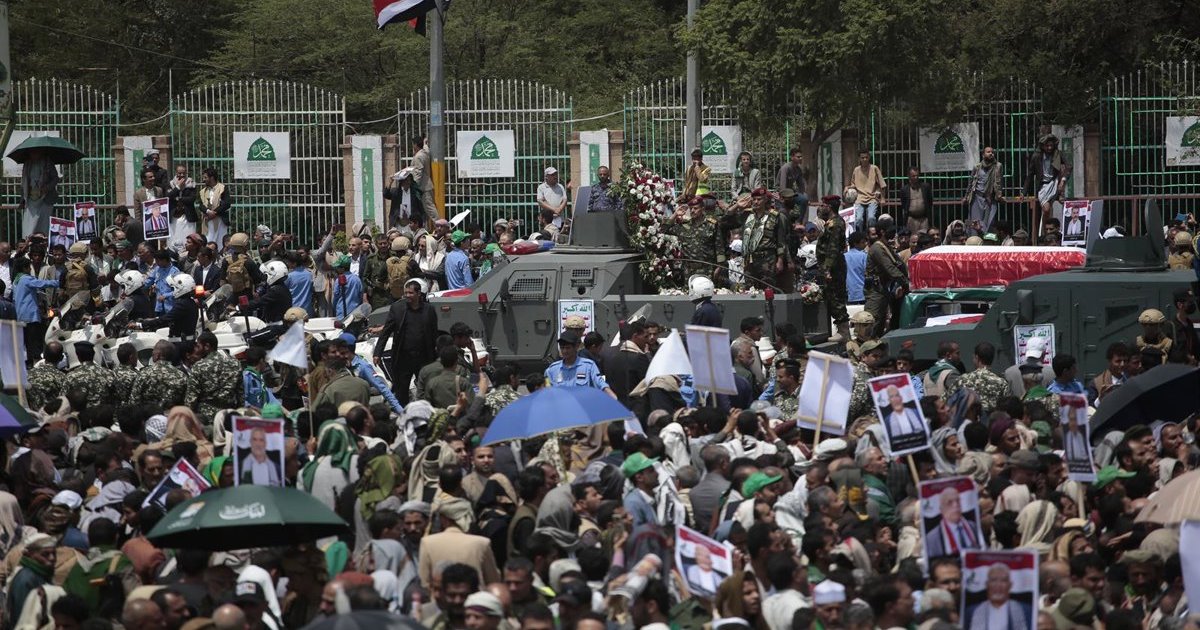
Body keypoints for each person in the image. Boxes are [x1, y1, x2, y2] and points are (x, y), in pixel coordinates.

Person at [374, 279, 439, 405]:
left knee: (426, 389)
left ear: (419, 293)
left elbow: (434, 333)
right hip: (403, 358)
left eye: (410, 293)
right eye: (406, 293)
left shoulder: (429, 310)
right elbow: (386, 331)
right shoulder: (397, 308)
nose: (407, 296)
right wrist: (378, 352)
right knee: (401, 391)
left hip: (423, 358)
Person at [815, 195, 850, 341]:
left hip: (834, 267)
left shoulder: (835, 224)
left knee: (836, 297)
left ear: (829, 207)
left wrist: (828, 269)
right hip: (829, 265)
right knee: (831, 296)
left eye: (823, 205)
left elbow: (833, 249)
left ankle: (844, 332)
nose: (821, 208)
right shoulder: (830, 223)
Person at [743, 188, 792, 289]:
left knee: (768, 288)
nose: (756, 202)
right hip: (750, 259)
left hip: (767, 259)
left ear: (765, 200)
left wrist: (780, 260)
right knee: (749, 288)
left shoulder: (775, 217)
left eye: (759, 199)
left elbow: (781, 240)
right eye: (754, 199)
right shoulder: (749, 216)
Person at [864, 225, 907, 338]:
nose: (893, 234)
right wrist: (905, 282)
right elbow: (890, 268)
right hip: (875, 290)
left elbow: (899, 264)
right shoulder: (877, 248)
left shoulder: (885, 246)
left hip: (883, 289)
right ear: (882, 232)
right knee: (872, 320)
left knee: (881, 321)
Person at [1025, 134, 1071, 233]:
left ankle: (1059, 196)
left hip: (1055, 183)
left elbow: (1068, 166)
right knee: (1046, 209)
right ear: (1043, 146)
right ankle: (1045, 231)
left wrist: (1063, 180)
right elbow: (1030, 174)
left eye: (1051, 145)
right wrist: (1024, 192)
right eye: (1047, 146)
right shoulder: (1036, 156)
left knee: (1062, 202)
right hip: (1043, 186)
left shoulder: (1058, 154)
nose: (1049, 148)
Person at [968, 564, 1029, 630]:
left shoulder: (1026, 611)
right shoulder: (971, 612)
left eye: (1003, 580)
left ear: (1010, 585)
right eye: (993, 580)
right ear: (987, 584)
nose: (998, 585)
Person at [925, 487, 980, 557]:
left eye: (958, 501)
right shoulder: (932, 539)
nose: (955, 505)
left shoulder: (972, 526)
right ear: (941, 509)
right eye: (949, 502)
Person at [963, 147, 1004, 236]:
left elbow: (1000, 183)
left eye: (992, 152)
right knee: (974, 222)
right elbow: (970, 183)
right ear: (983, 154)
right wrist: (966, 197)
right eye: (988, 152)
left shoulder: (998, 166)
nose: (991, 153)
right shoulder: (977, 167)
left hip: (990, 198)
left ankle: (987, 242)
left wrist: (999, 195)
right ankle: (974, 241)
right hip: (977, 198)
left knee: (989, 223)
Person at [849, 151, 887, 228]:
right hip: (859, 198)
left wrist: (883, 198)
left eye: (866, 157)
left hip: (872, 198)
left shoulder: (874, 168)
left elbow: (882, 184)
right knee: (859, 219)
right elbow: (853, 185)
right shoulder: (856, 170)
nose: (865, 159)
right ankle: (860, 237)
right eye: (862, 158)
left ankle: (871, 235)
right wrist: (847, 188)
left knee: (871, 218)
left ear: (869, 157)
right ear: (859, 158)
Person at [198, 168, 231, 250]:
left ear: (211, 178)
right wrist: (208, 212)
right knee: (208, 241)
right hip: (207, 220)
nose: (204, 180)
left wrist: (215, 213)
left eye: (205, 177)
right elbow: (201, 205)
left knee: (220, 241)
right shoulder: (203, 191)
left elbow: (226, 204)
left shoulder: (222, 188)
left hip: (220, 220)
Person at [408, 136, 437, 222]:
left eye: (413, 144)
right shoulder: (425, 153)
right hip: (426, 186)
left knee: (430, 209)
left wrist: (415, 185)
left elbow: (418, 171)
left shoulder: (418, 156)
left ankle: (440, 227)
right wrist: (425, 143)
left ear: (416, 145)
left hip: (423, 187)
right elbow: (426, 149)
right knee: (425, 210)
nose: (412, 146)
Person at [899, 167, 933, 234]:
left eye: (917, 175)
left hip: (924, 218)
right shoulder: (904, 189)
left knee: (925, 238)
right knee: (912, 238)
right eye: (913, 176)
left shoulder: (925, 187)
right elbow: (904, 204)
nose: (916, 177)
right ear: (909, 176)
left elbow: (930, 201)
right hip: (911, 218)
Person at [537, 167, 568, 232]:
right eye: (552, 175)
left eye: (555, 174)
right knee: (547, 237)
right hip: (547, 221)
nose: (555, 177)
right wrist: (554, 209)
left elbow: (565, 200)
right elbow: (540, 201)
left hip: (560, 218)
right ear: (546, 177)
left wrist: (559, 209)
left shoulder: (560, 186)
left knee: (560, 237)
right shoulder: (541, 187)